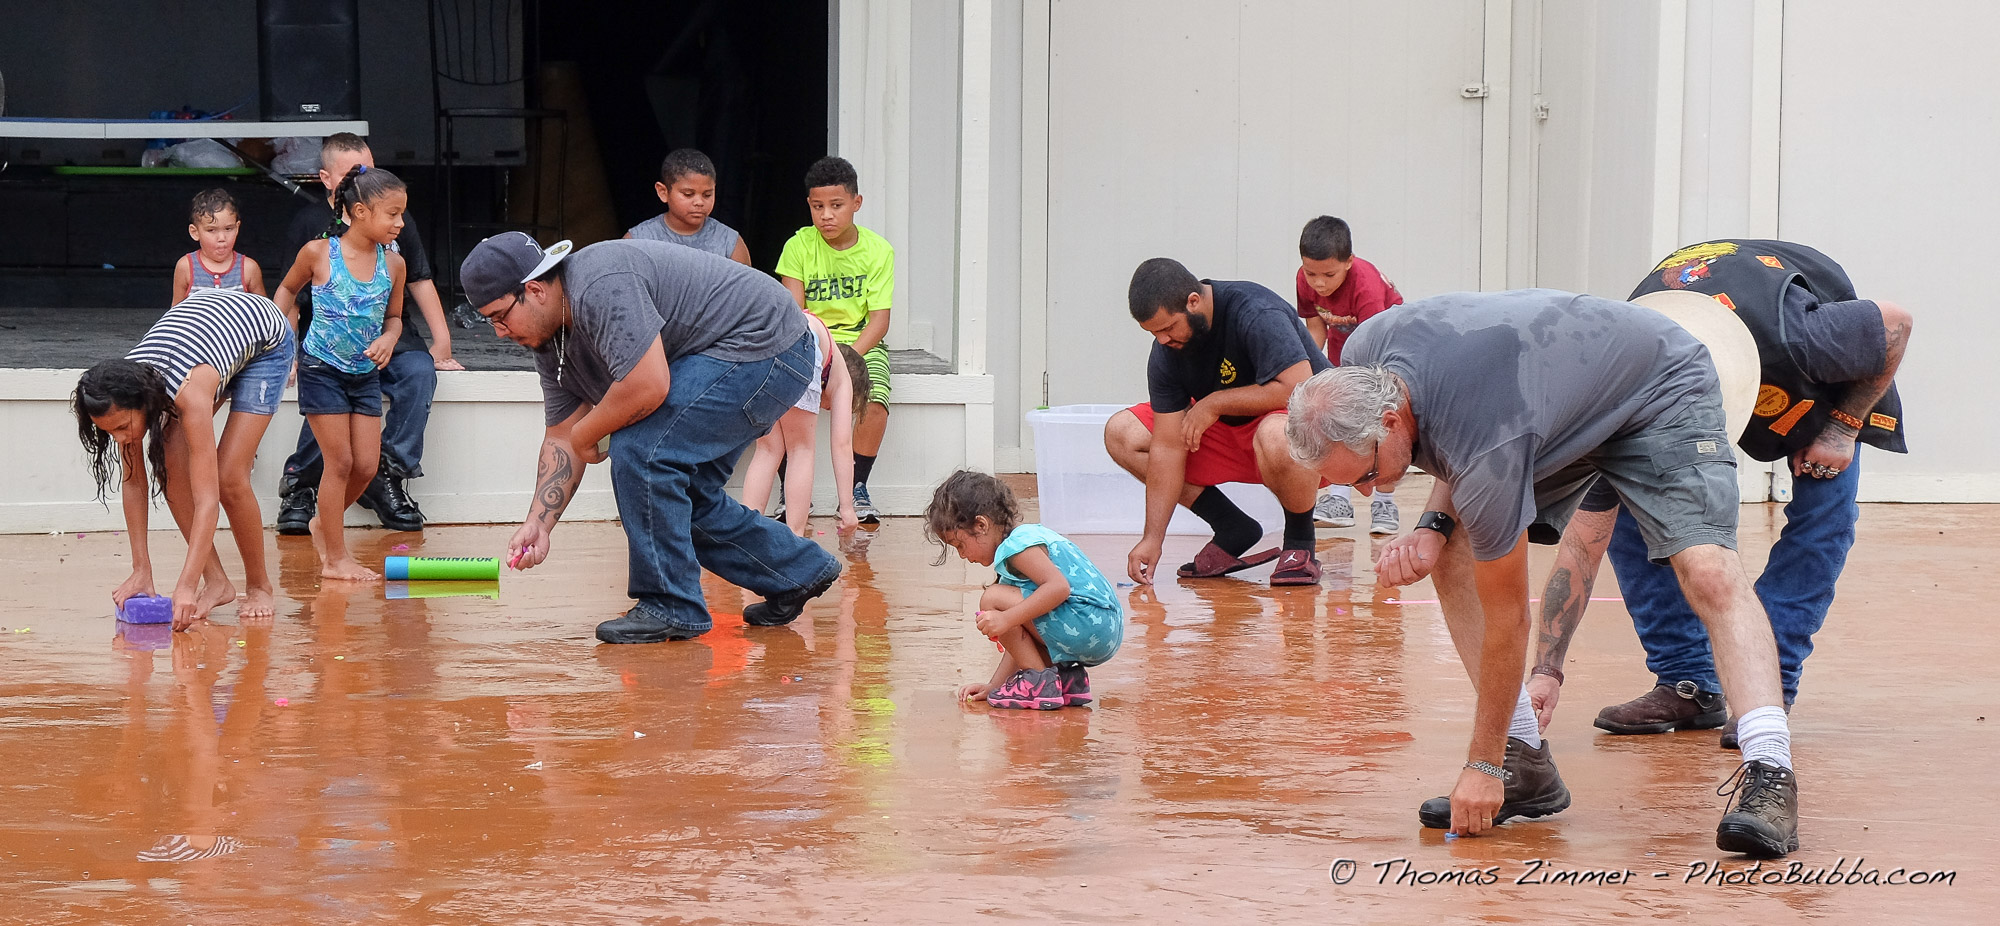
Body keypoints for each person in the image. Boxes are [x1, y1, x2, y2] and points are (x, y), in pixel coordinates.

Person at [1287, 288, 1805, 858]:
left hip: (1660, 386)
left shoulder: (1487, 443)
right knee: (1450, 549)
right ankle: (1525, 760)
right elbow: (1454, 427)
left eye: (1367, 474)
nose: (1370, 493)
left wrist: (1482, 765)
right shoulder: (1366, 354)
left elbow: (1509, 619)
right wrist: (1433, 526)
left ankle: (1771, 772)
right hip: (1550, 400)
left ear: (1389, 420)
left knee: (1708, 570)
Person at [1526, 240, 1911, 748]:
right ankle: (1688, 683)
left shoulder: (1808, 338)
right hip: (1683, 372)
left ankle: (1766, 690)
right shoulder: (1615, 395)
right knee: (1627, 513)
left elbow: (1895, 324)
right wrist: (1547, 669)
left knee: (1824, 518)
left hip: (1811, 378)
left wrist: (1842, 427)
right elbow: (1582, 544)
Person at [461, 232, 842, 644]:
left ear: (535, 290)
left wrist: (588, 432)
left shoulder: (599, 283)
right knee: (678, 497)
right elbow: (560, 437)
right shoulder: (551, 344)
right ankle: (797, 572)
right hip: (739, 358)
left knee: (642, 450)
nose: (499, 332)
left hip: (766, 345)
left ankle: (670, 605)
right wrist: (539, 523)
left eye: (500, 316)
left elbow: (647, 385)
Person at [274, 133, 464, 537]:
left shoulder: (393, 235)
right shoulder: (315, 239)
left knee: (417, 376)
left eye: (370, 168)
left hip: (378, 345)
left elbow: (416, 283)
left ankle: (386, 473)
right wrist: (283, 349)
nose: (365, 176)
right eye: (355, 172)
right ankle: (302, 485)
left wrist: (440, 341)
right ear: (331, 182)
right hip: (327, 347)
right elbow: (289, 292)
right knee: (338, 444)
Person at [73, 289, 294, 629]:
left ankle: (259, 586)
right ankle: (217, 582)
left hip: (265, 340)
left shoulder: (189, 393)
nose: (120, 438)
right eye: (109, 432)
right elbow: (134, 484)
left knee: (228, 477)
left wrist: (186, 585)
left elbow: (207, 501)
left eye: (122, 428)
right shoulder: (119, 393)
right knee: (171, 469)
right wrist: (141, 569)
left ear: (144, 404)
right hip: (208, 338)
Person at [1104, 258, 1331, 587]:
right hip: (1233, 435)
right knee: (1122, 433)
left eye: (1168, 328)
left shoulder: (1255, 311)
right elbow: (1167, 446)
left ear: (1193, 301)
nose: (1162, 340)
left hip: (1309, 436)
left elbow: (1299, 388)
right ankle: (1231, 526)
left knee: (1275, 435)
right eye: (1154, 333)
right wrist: (1153, 538)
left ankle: (1299, 542)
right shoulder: (1167, 350)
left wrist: (1215, 403)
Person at [273, 165, 407, 581]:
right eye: (393, 214)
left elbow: (395, 318)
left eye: (402, 214)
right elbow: (287, 289)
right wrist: (278, 338)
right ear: (361, 212)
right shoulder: (318, 253)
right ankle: (335, 558)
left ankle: (322, 524)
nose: (400, 223)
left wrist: (389, 339)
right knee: (341, 461)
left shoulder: (394, 263)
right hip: (321, 369)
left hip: (364, 373)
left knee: (366, 466)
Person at [929, 471, 1124, 709]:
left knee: (992, 598)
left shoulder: (1016, 546)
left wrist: (1006, 618)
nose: (962, 555)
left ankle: (1039, 683)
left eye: (960, 544)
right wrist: (994, 686)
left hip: (1087, 623)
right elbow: (1021, 638)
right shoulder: (1030, 537)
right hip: (1103, 631)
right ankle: (1066, 679)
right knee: (1022, 609)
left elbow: (1058, 588)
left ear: (981, 525)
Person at [775, 156, 895, 524]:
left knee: (875, 400)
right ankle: (789, 491)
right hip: (808, 340)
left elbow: (879, 322)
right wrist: (823, 357)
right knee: (779, 396)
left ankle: (858, 487)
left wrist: (846, 359)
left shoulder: (878, 250)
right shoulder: (798, 247)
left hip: (860, 343)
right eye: (817, 206)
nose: (826, 215)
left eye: (836, 205)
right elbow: (794, 316)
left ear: (856, 203)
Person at [1293, 216, 1402, 535]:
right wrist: (1307, 372)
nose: (1319, 283)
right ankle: (1339, 499)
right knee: (1334, 418)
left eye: (1329, 275)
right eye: (1311, 273)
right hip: (1345, 352)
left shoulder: (1365, 285)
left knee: (1380, 423)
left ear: (1349, 262)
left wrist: (1357, 388)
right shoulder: (1304, 280)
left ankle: (1385, 501)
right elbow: (1315, 329)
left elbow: (1376, 341)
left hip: (1385, 352)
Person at [740, 313, 864, 536]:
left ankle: (744, 537)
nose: (826, 409)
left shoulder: (822, 339)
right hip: (798, 343)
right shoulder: (842, 376)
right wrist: (847, 507)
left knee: (768, 449)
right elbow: (842, 444)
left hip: (758, 340)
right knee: (801, 449)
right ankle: (794, 538)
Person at [623, 147, 752, 265]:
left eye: (707, 195)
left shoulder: (730, 244)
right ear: (663, 192)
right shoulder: (637, 241)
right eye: (688, 194)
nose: (699, 202)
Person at [170, 189, 265, 303]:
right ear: (195, 232)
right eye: (211, 230)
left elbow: (263, 309)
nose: (221, 238)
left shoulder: (248, 268)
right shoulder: (186, 267)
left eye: (228, 229)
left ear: (237, 228)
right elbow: (176, 311)